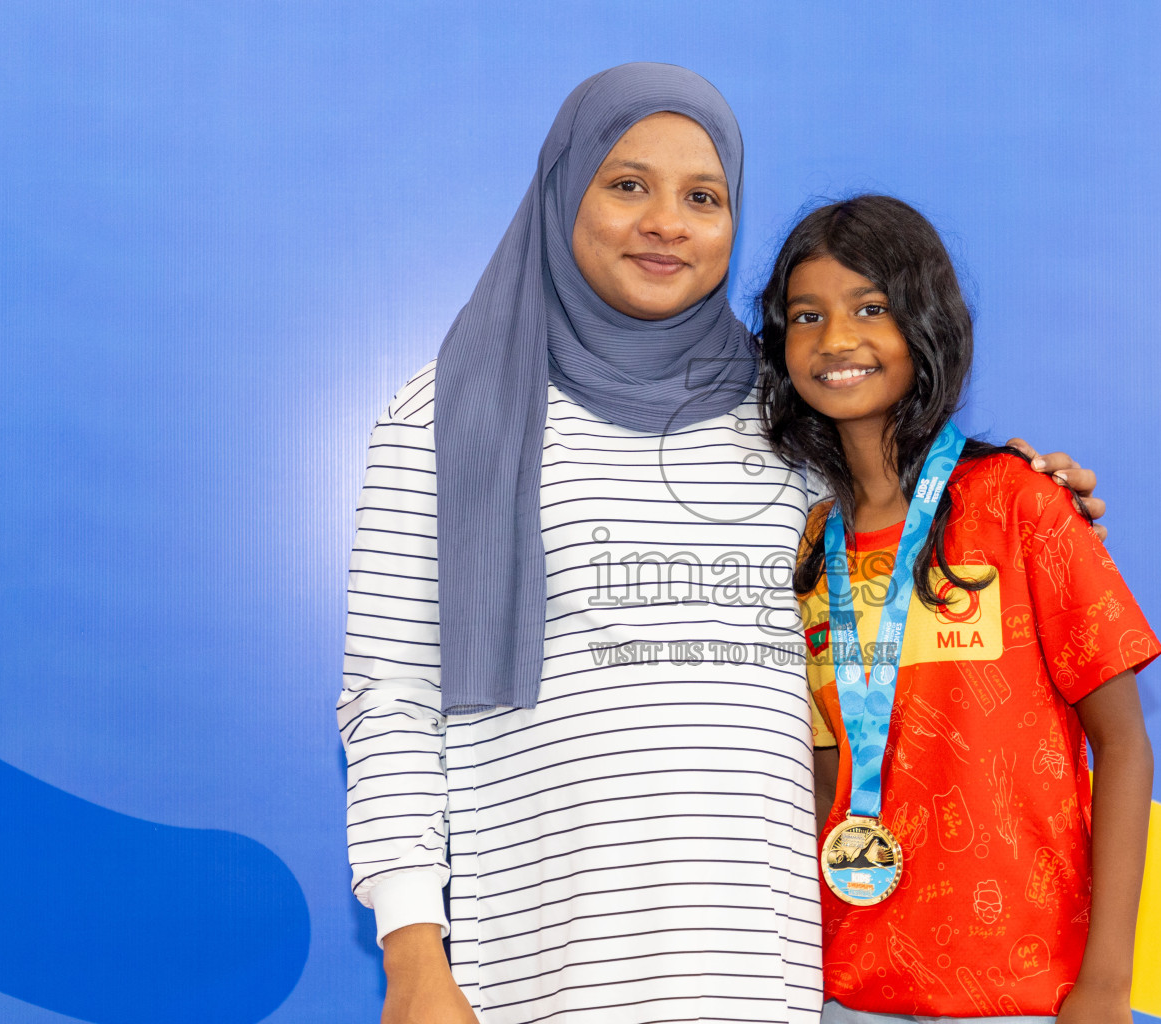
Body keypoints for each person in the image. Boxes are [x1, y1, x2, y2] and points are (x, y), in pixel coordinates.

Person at [340, 66, 1106, 1024]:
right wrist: (414, 955)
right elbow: (391, 701)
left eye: (703, 197)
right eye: (627, 185)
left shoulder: (793, 414)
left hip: (766, 972)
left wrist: (1021, 487)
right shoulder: (447, 414)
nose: (667, 222)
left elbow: (902, 514)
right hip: (535, 971)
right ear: (560, 191)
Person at [756, 194, 1161, 1024]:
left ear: (926, 325)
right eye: (807, 315)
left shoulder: (1022, 505)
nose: (836, 339)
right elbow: (828, 767)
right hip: (850, 988)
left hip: (1025, 988)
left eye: (871, 308)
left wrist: (1107, 983)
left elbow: (1123, 743)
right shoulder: (806, 545)